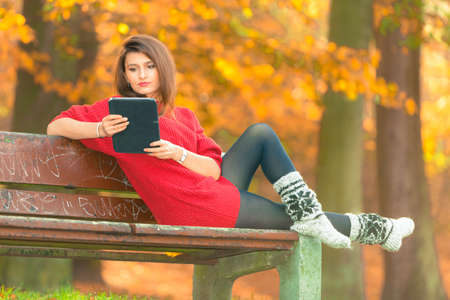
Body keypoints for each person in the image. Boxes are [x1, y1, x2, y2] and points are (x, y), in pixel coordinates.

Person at [47, 34, 414, 251]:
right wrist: (100, 130)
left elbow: (211, 169)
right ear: (124, 74)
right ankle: (375, 228)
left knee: (261, 133)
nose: (141, 75)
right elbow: (56, 126)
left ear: (162, 69)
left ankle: (334, 219)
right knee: (293, 218)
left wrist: (179, 153)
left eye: (149, 66)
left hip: (209, 189)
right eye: (133, 68)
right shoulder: (115, 113)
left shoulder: (185, 116)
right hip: (188, 210)